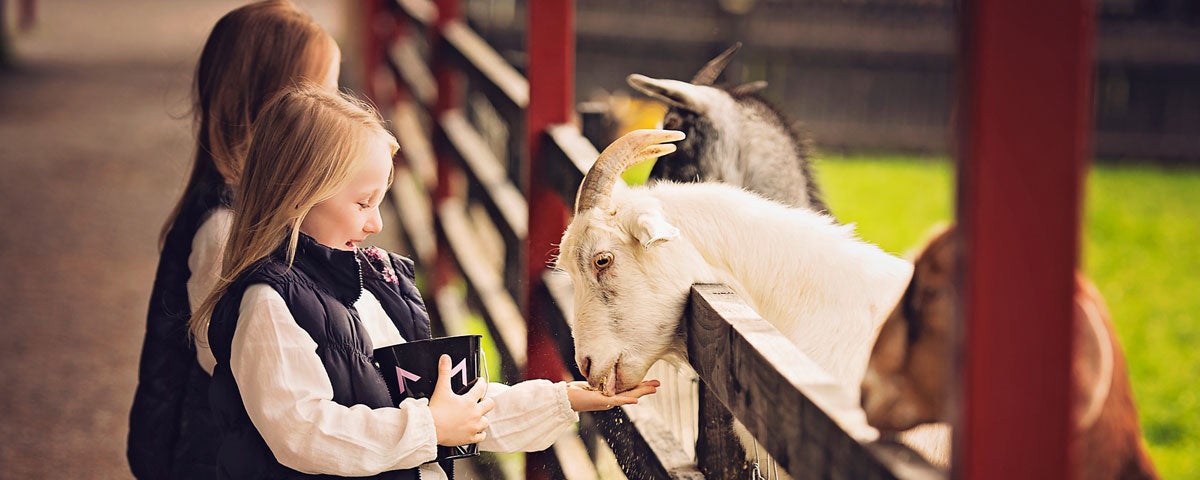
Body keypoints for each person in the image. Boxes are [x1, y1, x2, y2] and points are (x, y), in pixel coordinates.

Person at [189, 83, 659, 479]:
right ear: (298, 197)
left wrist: (566, 398)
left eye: (380, 202)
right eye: (362, 203)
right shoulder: (268, 304)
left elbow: (450, 406)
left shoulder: (374, 288)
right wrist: (428, 429)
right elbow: (303, 432)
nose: (376, 223)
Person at [127, 2, 341, 479]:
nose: (335, 112)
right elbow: (223, 356)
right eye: (324, 94)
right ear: (274, 107)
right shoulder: (226, 226)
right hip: (210, 453)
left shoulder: (255, 208)